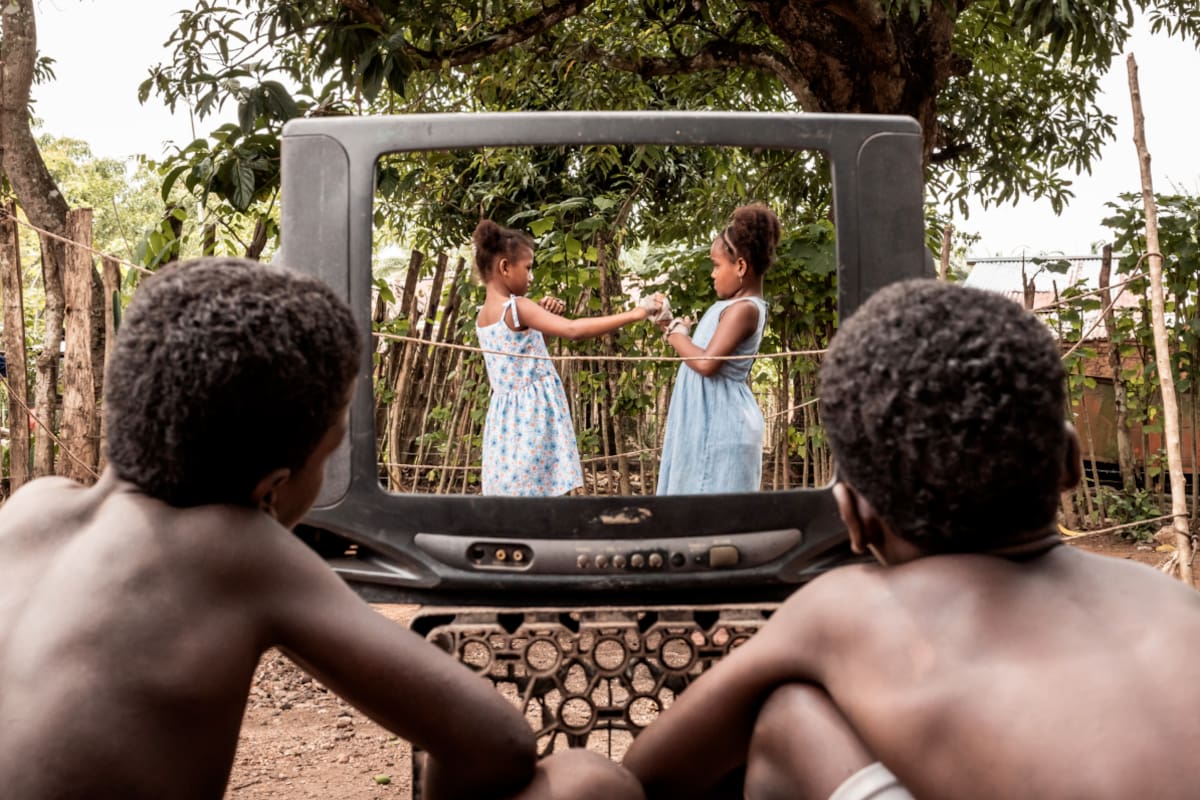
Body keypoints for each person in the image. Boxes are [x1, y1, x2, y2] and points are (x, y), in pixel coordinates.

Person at [0, 257, 644, 800]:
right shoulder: (235, 547)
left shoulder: (34, 506)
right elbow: (501, 743)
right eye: (332, 447)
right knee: (590, 783)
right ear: (272, 486)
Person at [624, 279, 1200, 799]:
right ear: (1070, 461)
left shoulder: (847, 610)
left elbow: (650, 773)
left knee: (790, 719)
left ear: (853, 514)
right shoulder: (1174, 600)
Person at [473, 219, 661, 496]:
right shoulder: (518, 307)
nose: (531, 277)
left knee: (517, 492)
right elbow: (573, 331)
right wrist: (636, 313)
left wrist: (545, 323)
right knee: (538, 493)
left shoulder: (483, 315)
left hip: (506, 423)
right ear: (504, 267)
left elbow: (526, 355)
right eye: (528, 268)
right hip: (532, 417)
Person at [655, 203, 780, 494]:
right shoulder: (728, 306)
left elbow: (707, 364)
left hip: (722, 429)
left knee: (709, 516)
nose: (712, 274)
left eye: (716, 265)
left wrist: (675, 333)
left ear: (740, 267)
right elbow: (697, 351)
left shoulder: (745, 309)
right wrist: (671, 325)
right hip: (704, 424)